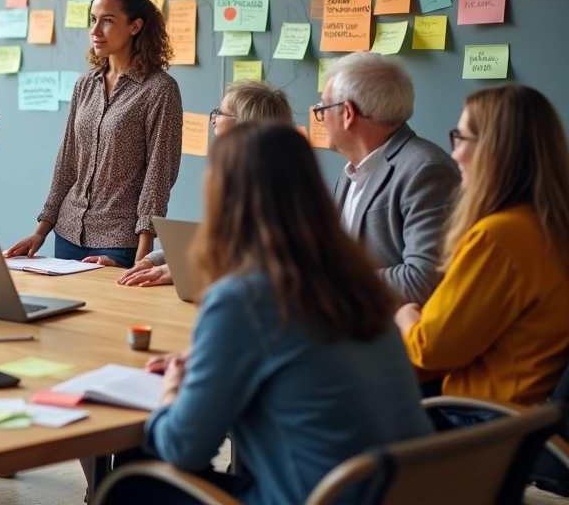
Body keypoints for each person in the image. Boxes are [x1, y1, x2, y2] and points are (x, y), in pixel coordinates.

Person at [124, 122, 432, 504]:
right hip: (398, 491)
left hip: (319, 496)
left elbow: (185, 448)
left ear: (222, 199)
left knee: (131, 483)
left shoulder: (241, 299)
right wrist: (210, 363)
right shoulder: (356, 282)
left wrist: (171, 392)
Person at [396, 85, 569, 413]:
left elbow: (430, 349)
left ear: (494, 150)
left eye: (460, 139)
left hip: (481, 428)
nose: (454, 154)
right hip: (525, 425)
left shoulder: (498, 237)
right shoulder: (549, 227)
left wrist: (405, 315)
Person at [5, 0, 182, 269]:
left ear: (135, 26)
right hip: (67, 232)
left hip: (120, 240)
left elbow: (159, 174)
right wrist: (41, 230)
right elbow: (67, 163)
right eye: (93, 20)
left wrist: (144, 249)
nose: (95, 30)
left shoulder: (160, 90)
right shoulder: (85, 85)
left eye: (107, 21)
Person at [93, 81, 292, 285]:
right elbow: (216, 243)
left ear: (244, 123)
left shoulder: (269, 191)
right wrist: (152, 260)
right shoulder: (241, 177)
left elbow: (248, 260)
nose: (213, 120)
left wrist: (185, 269)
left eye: (220, 113)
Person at [317, 52, 459, 304]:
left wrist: (334, 282)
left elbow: (422, 281)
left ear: (347, 113)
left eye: (323, 107)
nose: (320, 116)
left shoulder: (426, 171)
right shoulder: (349, 173)